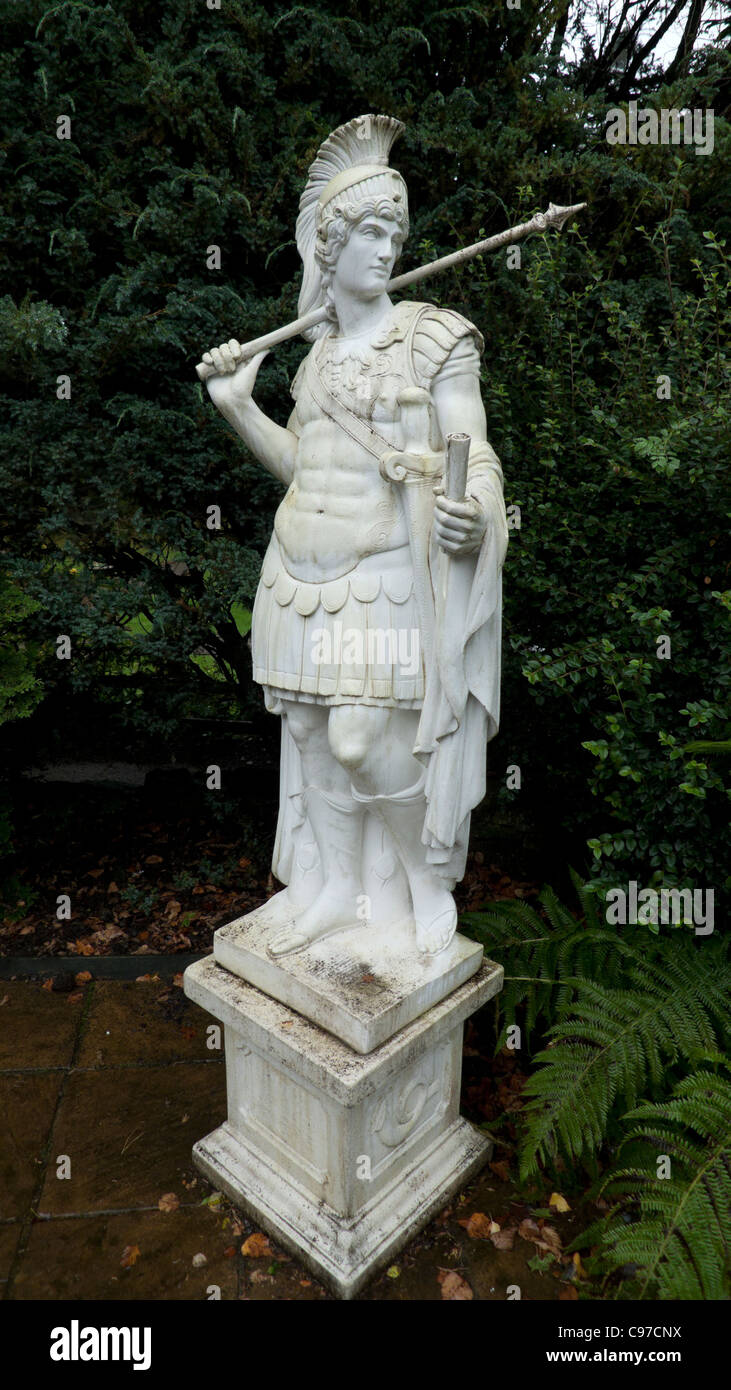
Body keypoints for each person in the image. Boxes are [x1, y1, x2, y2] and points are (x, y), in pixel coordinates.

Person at [201, 114, 508, 958]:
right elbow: (301, 463)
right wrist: (236, 407)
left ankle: (420, 878)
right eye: (370, 232)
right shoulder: (312, 356)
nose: (388, 249)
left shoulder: (435, 338)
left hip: (384, 578)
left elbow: (470, 447)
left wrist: (474, 510)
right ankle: (335, 887)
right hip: (296, 573)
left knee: (360, 740)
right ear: (328, 249)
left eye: (395, 233)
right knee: (308, 739)